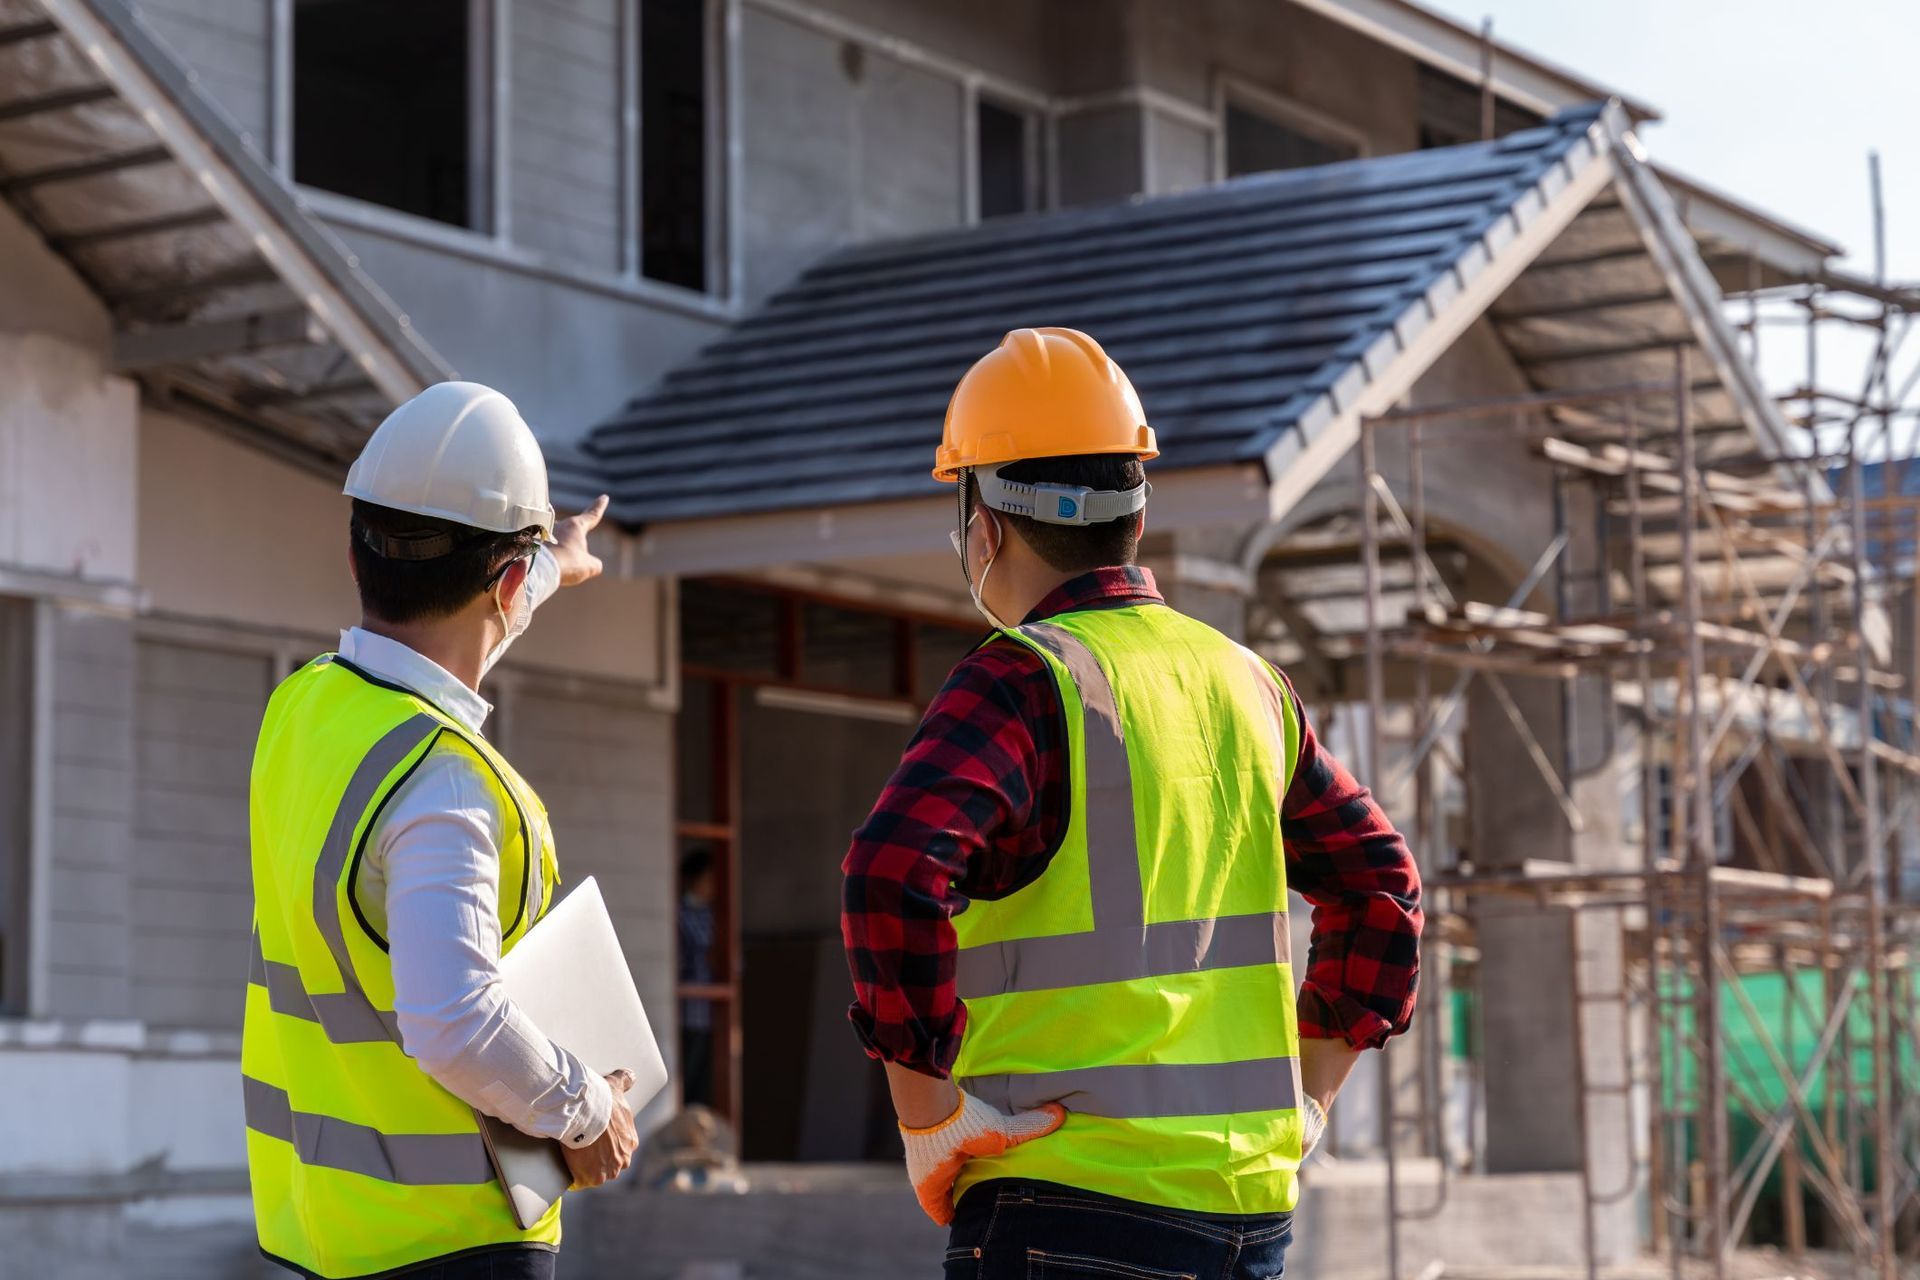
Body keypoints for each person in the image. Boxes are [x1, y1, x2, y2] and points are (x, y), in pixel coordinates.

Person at [840, 329, 1423, 1278]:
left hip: (1065, 1204)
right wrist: (1309, 1097)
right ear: (1135, 516)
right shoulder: (1248, 684)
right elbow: (1382, 888)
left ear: (985, 523)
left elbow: (893, 870)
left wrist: (929, 1117)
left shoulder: (1024, 681)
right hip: (1251, 1220)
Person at [244, 382, 639, 1279]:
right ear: (502, 581)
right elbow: (451, 1019)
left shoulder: (302, 709)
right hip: (456, 1246)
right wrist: (585, 1113)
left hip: (325, 1232)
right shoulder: (443, 778)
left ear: (357, 556)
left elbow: (448, 636)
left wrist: (551, 563)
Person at [677, 847, 718, 1107]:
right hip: (688, 1009)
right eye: (708, 879)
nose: (712, 887)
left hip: (710, 1010)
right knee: (687, 1079)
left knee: (704, 1080)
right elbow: (682, 959)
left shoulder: (714, 915)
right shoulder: (679, 914)